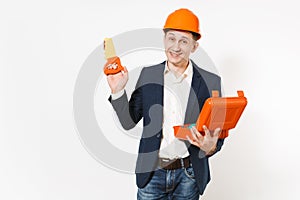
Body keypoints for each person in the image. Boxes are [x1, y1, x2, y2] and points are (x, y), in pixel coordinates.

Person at [106, 8, 225, 200]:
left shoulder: (211, 82)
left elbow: (218, 135)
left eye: (184, 41)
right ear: (164, 39)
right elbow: (128, 122)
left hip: (189, 175)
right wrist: (118, 91)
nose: (176, 47)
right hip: (152, 174)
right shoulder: (148, 75)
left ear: (194, 46)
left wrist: (210, 147)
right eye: (171, 38)